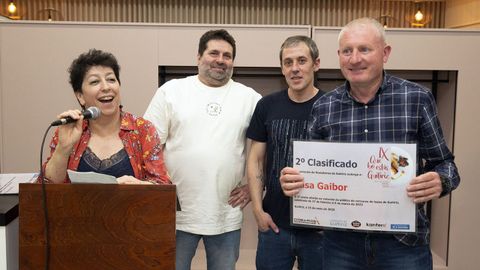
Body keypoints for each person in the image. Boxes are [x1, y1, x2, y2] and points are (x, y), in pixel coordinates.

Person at [280, 18, 460, 270]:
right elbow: (306, 170)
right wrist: (292, 180)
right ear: (339, 56)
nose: (354, 59)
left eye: (364, 49)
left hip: (402, 243)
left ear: (385, 53)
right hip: (340, 244)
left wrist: (441, 181)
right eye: (347, 51)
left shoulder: (416, 99)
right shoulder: (324, 107)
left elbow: (445, 164)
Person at [144, 29, 261, 270]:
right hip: (174, 212)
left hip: (225, 213)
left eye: (227, 55)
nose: (220, 59)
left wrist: (254, 187)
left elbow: (268, 146)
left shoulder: (250, 98)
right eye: (213, 53)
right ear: (198, 57)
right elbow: (148, 146)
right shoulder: (171, 91)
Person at [246, 35, 324, 270]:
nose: (295, 69)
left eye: (302, 61)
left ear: (316, 64)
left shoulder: (332, 106)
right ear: (282, 68)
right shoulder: (266, 106)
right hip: (274, 225)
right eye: (288, 62)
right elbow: (255, 160)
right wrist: (258, 211)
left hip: (320, 231)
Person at [41, 49, 170, 185]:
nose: (106, 87)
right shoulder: (69, 129)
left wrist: (140, 186)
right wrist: (63, 148)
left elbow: (163, 186)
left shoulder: (143, 129)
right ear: (80, 96)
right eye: (95, 82)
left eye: (111, 79)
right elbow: (48, 186)